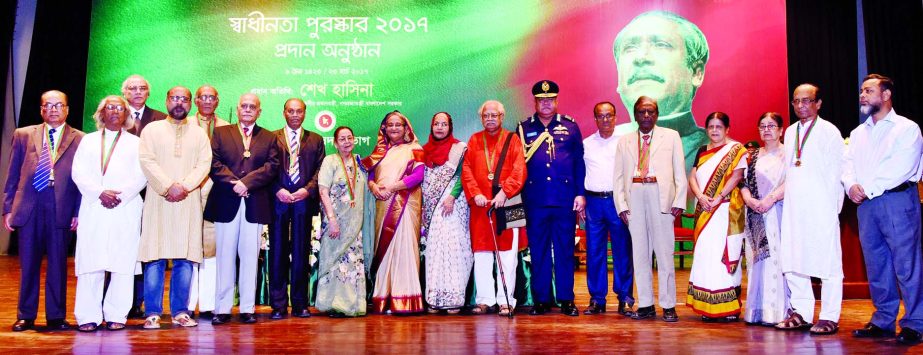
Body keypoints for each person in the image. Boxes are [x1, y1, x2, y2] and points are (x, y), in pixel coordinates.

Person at [845, 74, 923, 345]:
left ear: (886, 95)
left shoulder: (907, 128)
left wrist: (866, 187)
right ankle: (883, 321)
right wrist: (850, 185)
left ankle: (916, 323)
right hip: (867, 206)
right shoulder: (857, 133)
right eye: (861, 91)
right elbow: (848, 164)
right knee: (877, 265)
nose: (862, 95)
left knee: (906, 264)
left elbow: (902, 167)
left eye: (868, 90)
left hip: (897, 202)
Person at [4, 90, 83, 332]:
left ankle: (56, 316)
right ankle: (25, 315)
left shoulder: (80, 138)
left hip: (61, 205)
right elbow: (13, 173)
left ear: (67, 109)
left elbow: (82, 179)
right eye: (47, 105)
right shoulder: (24, 135)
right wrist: (8, 208)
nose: (53, 109)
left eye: (59, 105)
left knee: (59, 264)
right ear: (41, 109)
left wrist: (78, 211)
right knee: (28, 264)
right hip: (30, 205)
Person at [137, 86, 212, 329]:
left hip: (188, 201)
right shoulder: (152, 129)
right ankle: (152, 313)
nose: (179, 103)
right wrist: (168, 186)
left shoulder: (199, 133)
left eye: (184, 99)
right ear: (167, 100)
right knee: (155, 257)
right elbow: (146, 160)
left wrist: (185, 186)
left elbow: (204, 164)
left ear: (191, 103)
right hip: (159, 201)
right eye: (175, 98)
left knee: (185, 258)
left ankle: (181, 311)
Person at [71, 96, 147, 332]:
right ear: (101, 114)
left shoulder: (136, 143)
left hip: (125, 209)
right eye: (109, 108)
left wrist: (119, 197)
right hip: (94, 208)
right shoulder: (87, 141)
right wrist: (100, 193)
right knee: (90, 263)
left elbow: (142, 175)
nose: (114, 111)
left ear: (127, 115)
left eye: (119, 108)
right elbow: (78, 173)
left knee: (122, 264)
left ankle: (117, 315)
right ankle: (87, 316)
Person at [775, 83, 845, 335]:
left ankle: (829, 315)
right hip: (795, 207)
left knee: (827, 261)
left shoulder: (829, 132)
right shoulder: (791, 131)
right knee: (794, 258)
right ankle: (802, 311)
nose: (801, 105)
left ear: (818, 103)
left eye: (807, 100)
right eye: (796, 101)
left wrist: (832, 208)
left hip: (822, 207)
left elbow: (838, 171)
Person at [205, 93, 280, 325]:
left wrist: (246, 184)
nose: (247, 110)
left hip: (254, 203)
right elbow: (214, 164)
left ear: (259, 111)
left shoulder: (269, 137)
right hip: (226, 201)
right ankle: (223, 308)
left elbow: (272, 166)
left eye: (252, 107)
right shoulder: (220, 133)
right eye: (244, 106)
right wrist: (235, 184)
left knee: (250, 257)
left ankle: (248, 308)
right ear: (237, 109)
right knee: (224, 257)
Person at [613, 96, 686, 322]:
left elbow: (679, 172)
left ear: (657, 114)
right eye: (642, 112)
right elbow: (617, 177)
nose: (646, 116)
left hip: (660, 195)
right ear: (635, 115)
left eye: (651, 111)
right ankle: (645, 304)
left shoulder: (671, 136)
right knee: (640, 254)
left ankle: (668, 304)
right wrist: (622, 206)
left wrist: (678, 203)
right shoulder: (624, 140)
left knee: (664, 254)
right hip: (635, 195)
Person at [517, 80, 585, 316]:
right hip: (535, 201)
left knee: (565, 250)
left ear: (556, 101)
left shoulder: (570, 127)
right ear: (535, 102)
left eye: (550, 99)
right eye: (541, 100)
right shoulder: (523, 128)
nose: (546, 104)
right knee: (538, 251)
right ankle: (541, 300)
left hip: (564, 199)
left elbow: (579, 163)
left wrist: (580, 193)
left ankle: (566, 299)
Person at [612, 10, 709, 172]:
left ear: (696, 73)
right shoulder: (602, 146)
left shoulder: (715, 150)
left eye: (661, 45)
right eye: (630, 48)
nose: (641, 57)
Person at [462, 100, 527, 316]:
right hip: (481, 206)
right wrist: (475, 194)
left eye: (494, 115)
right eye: (486, 115)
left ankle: (505, 300)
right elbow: (467, 170)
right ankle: (484, 300)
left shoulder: (513, 139)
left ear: (501, 116)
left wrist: (504, 192)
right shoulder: (474, 140)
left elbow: (519, 170)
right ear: (481, 118)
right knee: (481, 255)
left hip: (508, 203)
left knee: (508, 256)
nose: (490, 118)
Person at [361, 110, 425, 315]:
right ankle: (383, 297)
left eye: (398, 124)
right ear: (384, 129)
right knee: (384, 249)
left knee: (404, 248)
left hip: (404, 206)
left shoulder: (415, 148)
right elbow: (370, 174)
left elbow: (419, 175)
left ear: (406, 128)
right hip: (381, 205)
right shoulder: (380, 152)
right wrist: (373, 187)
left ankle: (405, 297)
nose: (394, 128)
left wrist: (393, 187)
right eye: (390, 125)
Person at [685, 112, 747, 322]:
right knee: (705, 256)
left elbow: (737, 176)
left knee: (723, 256)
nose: (714, 130)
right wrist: (701, 196)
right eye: (710, 126)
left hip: (725, 211)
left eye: (718, 127)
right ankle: (706, 307)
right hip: (704, 209)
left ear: (727, 129)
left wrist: (718, 197)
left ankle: (728, 308)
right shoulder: (702, 151)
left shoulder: (737, 150)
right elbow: (692, 176)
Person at [269, 98, 325, 319]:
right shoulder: (271, 137)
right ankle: (279, 305)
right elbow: (266, 168)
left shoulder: (316, 139)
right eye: (290, 111)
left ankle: (300, 304)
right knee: (277, 253)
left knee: (301, 253)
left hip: (303, 201)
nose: (294, 115)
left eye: (299, 111)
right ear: (284, 112)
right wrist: (277, 189)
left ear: (305, 113)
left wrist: (307, 190)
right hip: (279, 201)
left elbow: (321, 169)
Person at [582, 101, 633, 316]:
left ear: (616, 117)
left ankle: (625, 299)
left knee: (622, 251)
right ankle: (597, 299)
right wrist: (582, 200)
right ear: (595, 119)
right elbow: (580, 173)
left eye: (609, 115)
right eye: (601, 116)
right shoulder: (585, 144)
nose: (605, 119)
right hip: (593, 203)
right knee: (594, 252)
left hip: (617, 203)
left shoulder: (625, 143)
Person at [121, 74, 165, 319]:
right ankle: (119, 300)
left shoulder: (160, 119)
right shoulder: (114, 116)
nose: (137, 92)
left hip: (152, 193)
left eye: (142, 88)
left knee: (146, 248)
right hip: (121, 195)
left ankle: (139, 302)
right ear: (125, 92)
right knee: (123, 247)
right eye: (132, 88)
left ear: (148, 92)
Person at [739, 112, 788, 326]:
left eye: (771, 125)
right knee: (757, 262)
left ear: (781, 130)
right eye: (762, 126)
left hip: (780, 213)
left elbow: (794, 182)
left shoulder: (789, 155)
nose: (766, 129)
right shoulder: (752, 156)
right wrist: (749, 200)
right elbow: (742, 183)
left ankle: (779, 312)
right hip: (756, 216)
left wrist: (771, 199)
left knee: (780, 261)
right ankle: (758, 310)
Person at [421, 112, 472, 314]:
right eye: (436, 124)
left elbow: (462, 174)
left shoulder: (459, 148)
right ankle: (434, 299)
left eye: (444, 124)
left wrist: (452, 196)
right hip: (433, 207)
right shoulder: (424, 151)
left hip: (454, 203)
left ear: (450, 127)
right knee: (435, 249)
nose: (440, 128)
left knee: (454, 247)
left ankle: (454, 298)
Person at [187, 85, 230, 321]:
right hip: (189, 191)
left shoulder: (226, 127)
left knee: (212, 249)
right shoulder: (184, 126)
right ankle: (186, 303)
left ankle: (208, 304)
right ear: (195, 100)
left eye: (211, 97)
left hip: (217, 192)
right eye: (202, 97)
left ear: (217, 100)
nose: (206, 101)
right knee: (188, 247)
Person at [316, 126, 368, 317]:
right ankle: (333, 304)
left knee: (353, 263)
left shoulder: (360, 162)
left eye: (350, 138)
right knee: (336, 262)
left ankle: (353, 305)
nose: (347, 142)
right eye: (342, 139)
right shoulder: (330, 161)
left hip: (355, 224)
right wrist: (332, 219)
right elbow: (323, 191)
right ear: (335, 143)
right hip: (335, 222)